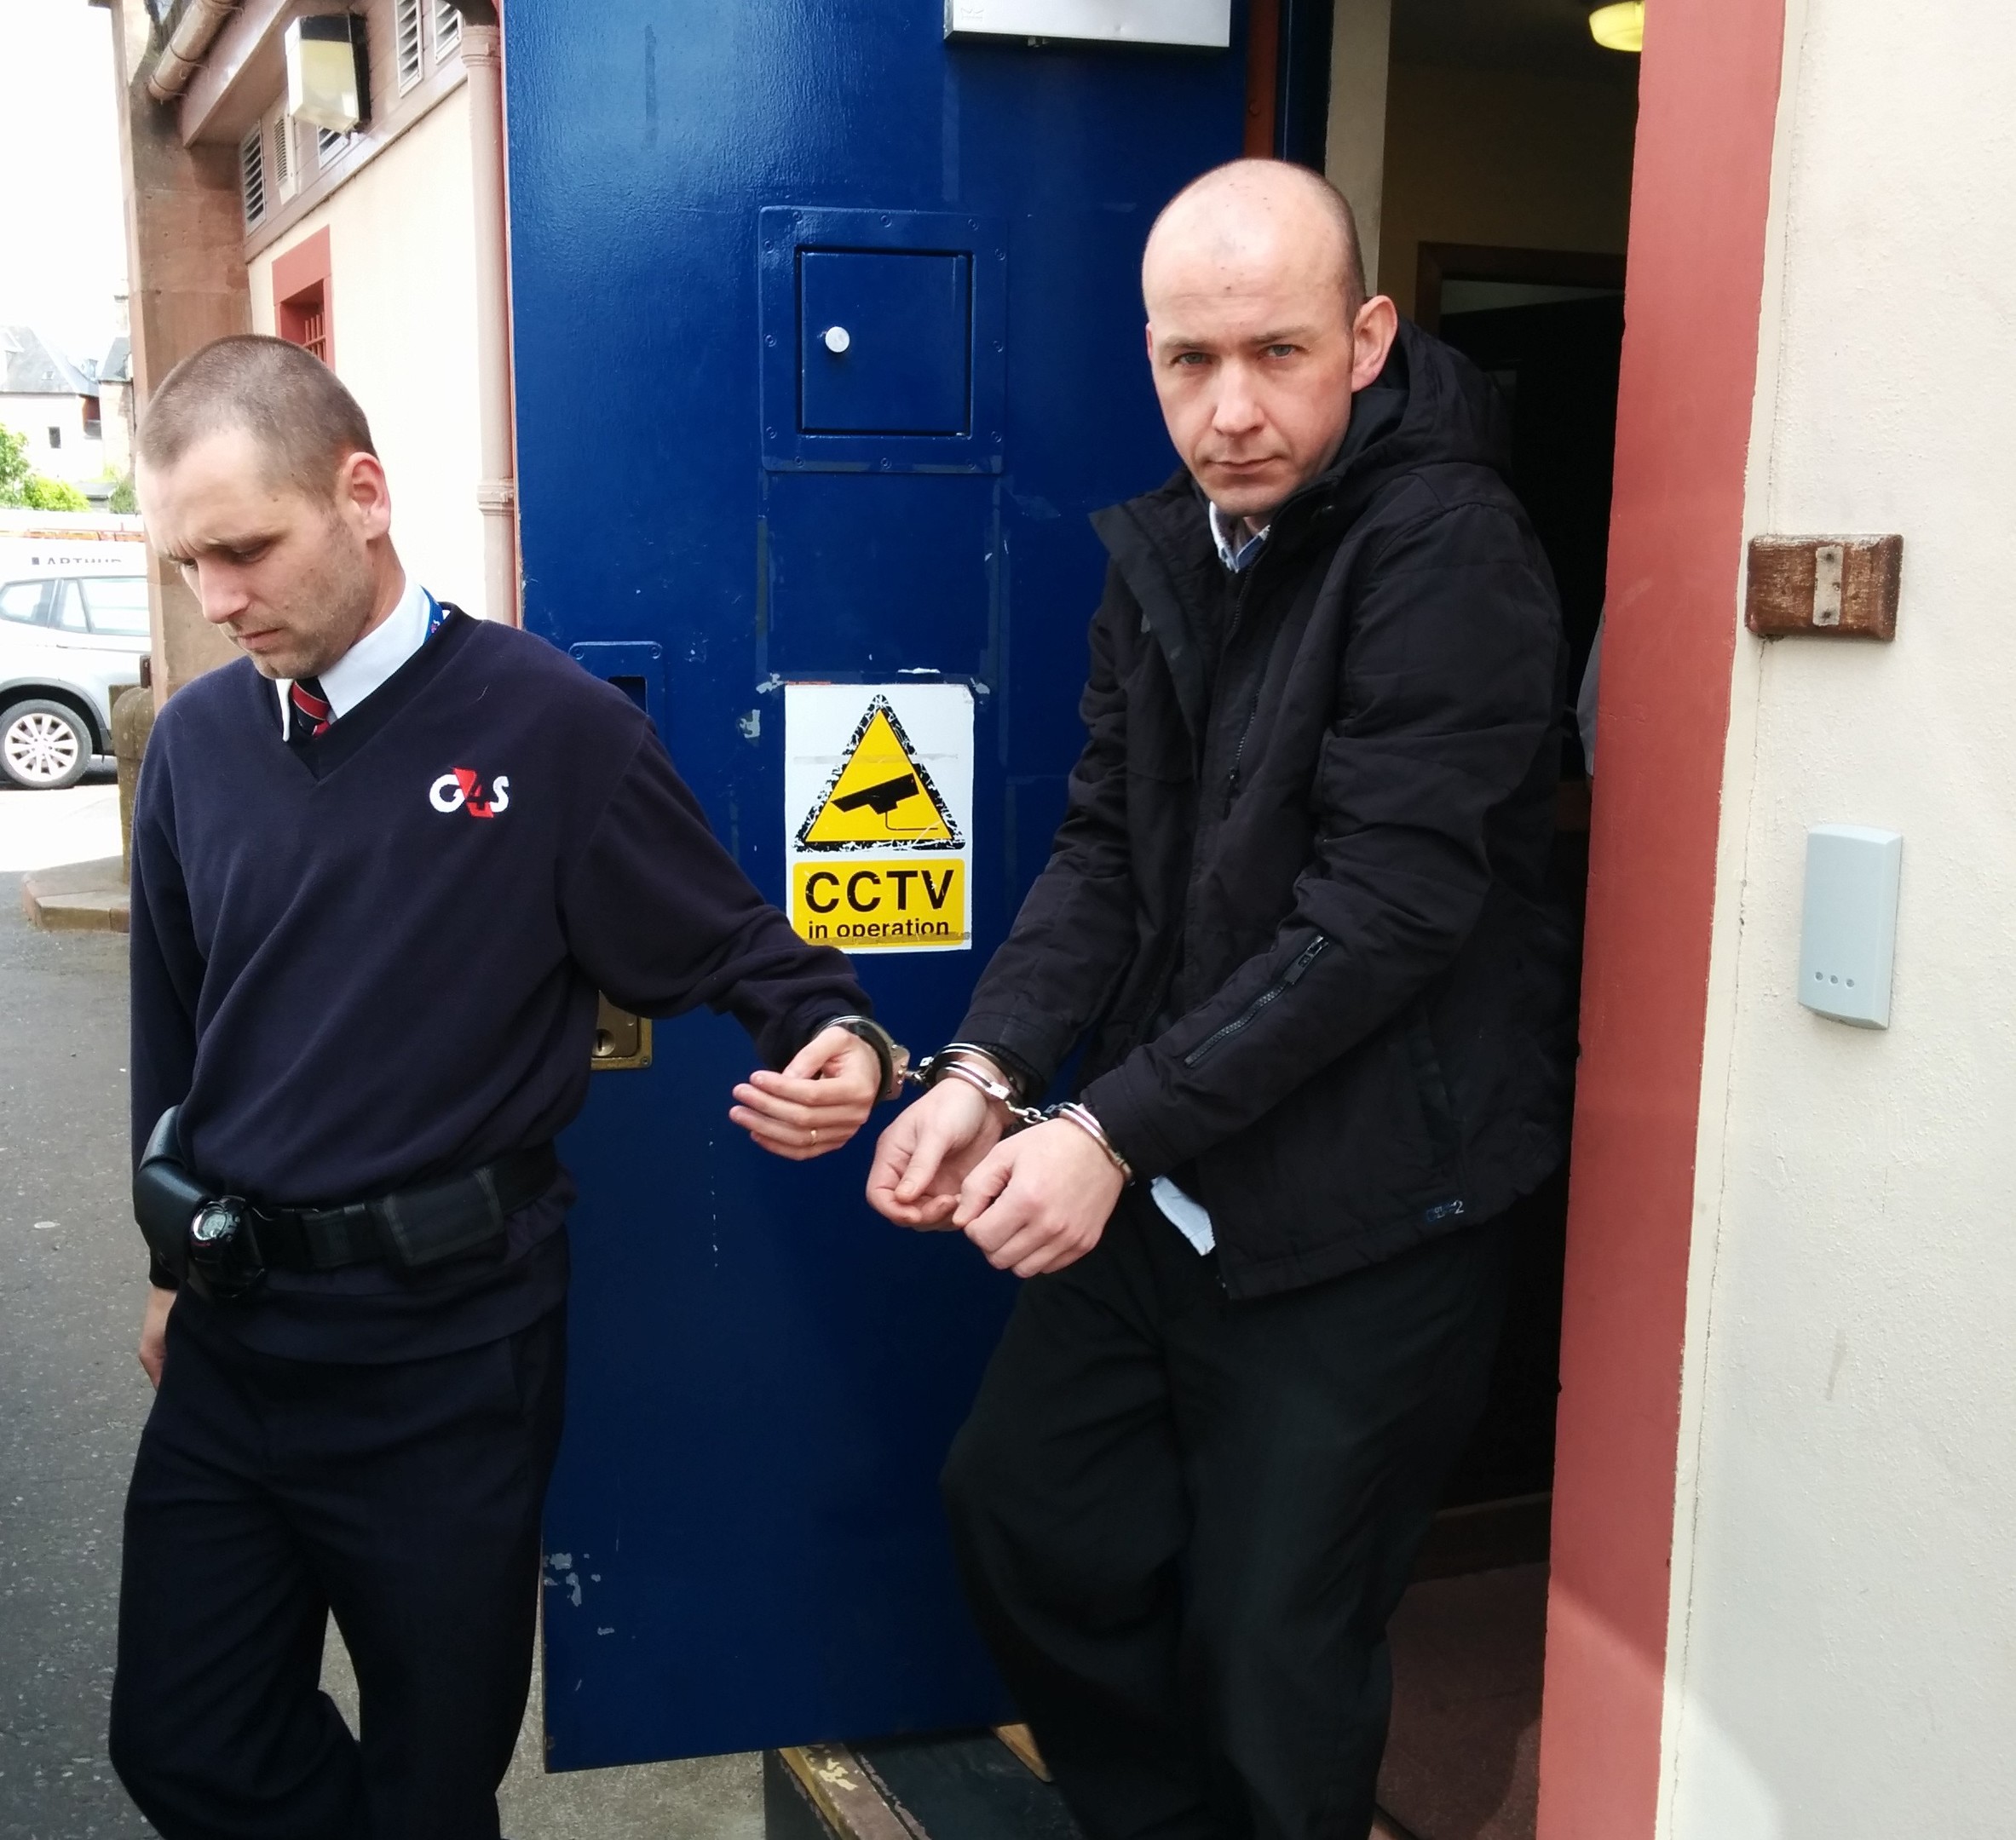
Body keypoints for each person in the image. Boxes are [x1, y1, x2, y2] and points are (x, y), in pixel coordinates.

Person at [867, 160, 1575, 1840]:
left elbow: (1387, 910)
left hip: (1373, 1214)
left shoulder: (1450, 549)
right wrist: (986, 1067)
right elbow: (1106, 848)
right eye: (1190, 361)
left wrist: (1100, 1124)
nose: (1230, 409)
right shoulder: (1173, 553)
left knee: (1279, 1656)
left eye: (1275, 352)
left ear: (1369, 337)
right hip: (1173, 1166)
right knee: (1021, 1512)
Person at [109, 335, 897, 1840]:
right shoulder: (202, 741)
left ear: (362, 494)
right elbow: (171, 1018)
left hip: (448, 1358)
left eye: (244, 550)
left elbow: (753, 953)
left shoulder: (555, 730)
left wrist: (844, 1047)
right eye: (186, 564)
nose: (216, 602)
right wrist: (163, 1263)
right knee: (183, 1740)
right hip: (233, 1343)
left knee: (430, 1779)